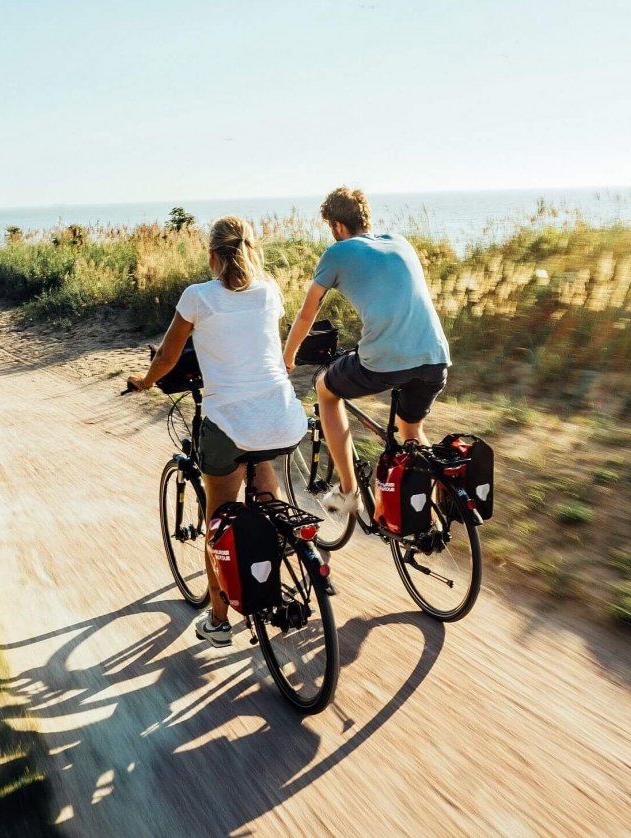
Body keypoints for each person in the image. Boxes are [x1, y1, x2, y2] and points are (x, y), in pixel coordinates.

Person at [128, 216, 307, 647]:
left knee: (218, 517)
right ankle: (287, 546)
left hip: (230, 422)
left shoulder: (197, 297)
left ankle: (219, 619)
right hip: (282, 417)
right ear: (252, 249)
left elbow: (169, 355)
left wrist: (145, 381)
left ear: (212, 255)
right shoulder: (270, 292)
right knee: (264, 476)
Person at [282, 187, 451, 515]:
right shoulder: (401, 242)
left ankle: (348, 493)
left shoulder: (338, 252)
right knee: (410, 429)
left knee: (325, 391)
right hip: (435, 357)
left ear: (337, 226)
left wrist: (287, 357)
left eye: (331, 227)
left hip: (385, 360)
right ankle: (440, 491)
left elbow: (306, 316)